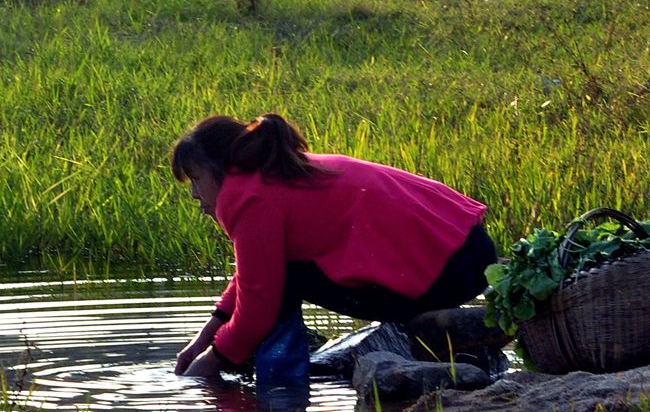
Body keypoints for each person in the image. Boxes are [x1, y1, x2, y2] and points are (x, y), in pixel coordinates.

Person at [168, 113, 495, 384]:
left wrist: (207, 368)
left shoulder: (249, 196)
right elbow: (255, 274)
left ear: (219, 168)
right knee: (282, 275)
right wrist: (205, 337)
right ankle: (269, 376)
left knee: (283, 282)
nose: (195, 194)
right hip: (467, 255)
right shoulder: (269, 177)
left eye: (196, 179)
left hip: (454, 267)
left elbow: (259, 305)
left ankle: (281, 393)